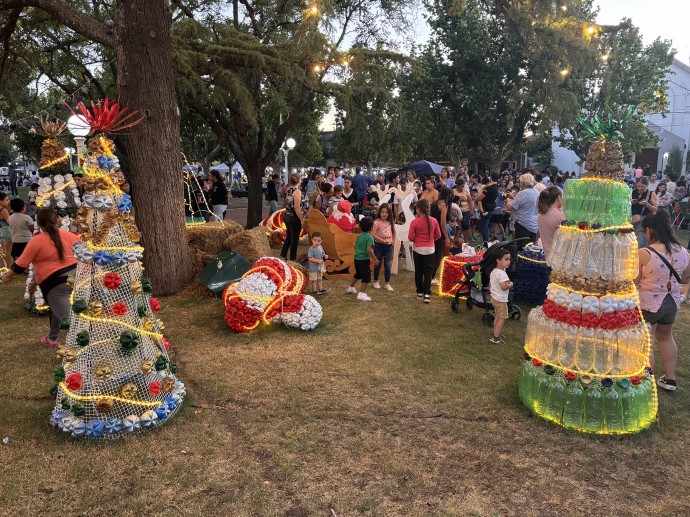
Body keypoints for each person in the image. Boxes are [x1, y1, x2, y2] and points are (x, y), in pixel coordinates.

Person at [1, 209, 81, 347]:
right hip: (77, 277)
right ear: (58, 220)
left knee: (69, 320)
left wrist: (6, 276)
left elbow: (20, 266)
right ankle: (52, 338)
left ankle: (81, 348)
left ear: (38, 224)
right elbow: (83, 255)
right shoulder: (71, 236)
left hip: (55, 283)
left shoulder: (36, 241)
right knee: (57, 309)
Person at [635, 211, 690, 392]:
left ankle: (646, 377)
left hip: (648, 302)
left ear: (649, 230)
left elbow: (635, 280)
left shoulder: (644, 253)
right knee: (666, 337)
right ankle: (670, 379)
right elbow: (684, 278)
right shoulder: (683, 251)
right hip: (671, 302)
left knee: (647, 340)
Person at [408, 199, 441, 304]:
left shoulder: (415, 222)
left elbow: (410, 237)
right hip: (430, 249)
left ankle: (419, 292)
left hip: (418, 249)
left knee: (418, 271)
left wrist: (417, 240)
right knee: (428, 273)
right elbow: (438, 235)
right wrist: (430, 240)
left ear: (418, 209)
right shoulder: (434, 221)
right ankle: (427, 294)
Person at [345, 216, 378, 301]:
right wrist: (375, 259)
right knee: (366, 276)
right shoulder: (370, 238)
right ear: (371, 227)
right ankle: (361, 294)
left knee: (358, 274)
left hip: (356, 259)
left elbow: (355, 246)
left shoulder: (359, 236)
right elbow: (369, 250)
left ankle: (351, 287)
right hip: (364, 259)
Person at [505, 173, 539, 243]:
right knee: (530, 247)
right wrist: (514, 198)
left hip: (523, 224)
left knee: (521, 248)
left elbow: (509, 207)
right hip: (534, 224)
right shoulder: (537, 192)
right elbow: (524, 203)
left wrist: (508, 200)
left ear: (523, 183)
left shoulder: (522, 193)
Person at [489, 248, 513, 344]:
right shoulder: (502, 274)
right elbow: (504, 286)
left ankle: (496, 333)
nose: (509, 262)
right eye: (506, 259)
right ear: (498, 261)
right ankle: (496, 338)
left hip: (494, 298)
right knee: (503, 317)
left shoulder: (493, 271)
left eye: (509, 259)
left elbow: (490, 285)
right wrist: (511, 284)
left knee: (498, 316)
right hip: (501, 299)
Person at [280, 173, 306, 261]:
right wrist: (302, 219)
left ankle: (283, 255)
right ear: (298, 180)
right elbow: (297, 207)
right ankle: (293, 258)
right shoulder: (297, 192)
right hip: (294, 218)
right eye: (301, 179)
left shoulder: (289, 190)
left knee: (289, 237)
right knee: (294, 239)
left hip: (287, 216)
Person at [372, 203, 395, 291]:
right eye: (382, 212)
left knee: (388, 265)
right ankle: (376, 281)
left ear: (389, 213)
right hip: (379, 245)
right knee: (378, 263)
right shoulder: (377, 222)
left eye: (386, 212)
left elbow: (393, 232)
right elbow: (373, 234)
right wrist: (382, 241)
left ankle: (387, 283)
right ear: (380, 212)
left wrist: (393, 241)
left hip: (388, 246)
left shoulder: (390, 222)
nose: (384, 214)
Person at [537, 186, 565, 259]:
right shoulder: (560, 216)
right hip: (559, 258)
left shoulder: (541, 215)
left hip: (548, 256)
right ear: (558, 197)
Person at [631, 177, 658, 248]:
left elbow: (655, 209)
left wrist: (647, 204)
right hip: (631, 219)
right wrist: (630, 203)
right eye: (638, 186)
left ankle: (641, 255)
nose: (639, 188)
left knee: (641, 242)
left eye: (642, 186)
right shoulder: (633, 191)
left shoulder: (652, 194)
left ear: (647, 185)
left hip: (643, 221)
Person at [477, 172, 499, 244]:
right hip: (491, 208)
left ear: (491, 178)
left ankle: (485, 242)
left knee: (483, 227)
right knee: (486, 225)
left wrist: (476, 200)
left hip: (486, 208)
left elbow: (480, 197)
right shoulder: (496, 187)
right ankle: (486, 240)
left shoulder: (489, 188)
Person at [0, 192, 12, 266]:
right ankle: (8, 266)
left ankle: (3, 265)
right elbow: (9, 222)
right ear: (1, 201)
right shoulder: (4, 210)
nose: (8, 201)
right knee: (8, 250)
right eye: (6, 200)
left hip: (0, 230)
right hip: (6, 230)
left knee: (3, 250)